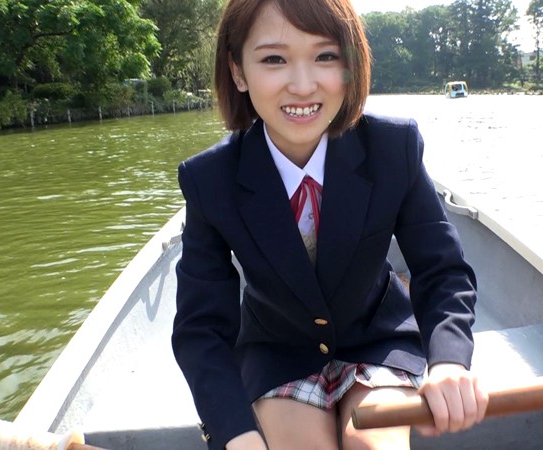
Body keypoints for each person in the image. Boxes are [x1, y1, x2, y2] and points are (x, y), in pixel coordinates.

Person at [171, 0, 488, 449]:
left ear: (350, 64)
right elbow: (201, 327)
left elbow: (443, 270)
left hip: (378, 339)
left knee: (373, 446)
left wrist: (450, 361)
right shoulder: (209, 180)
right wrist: (235, 433)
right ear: (238, 71)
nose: (303, 86)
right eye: (274, 59)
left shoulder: (393, 148)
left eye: (325, 56)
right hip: (276, 351)